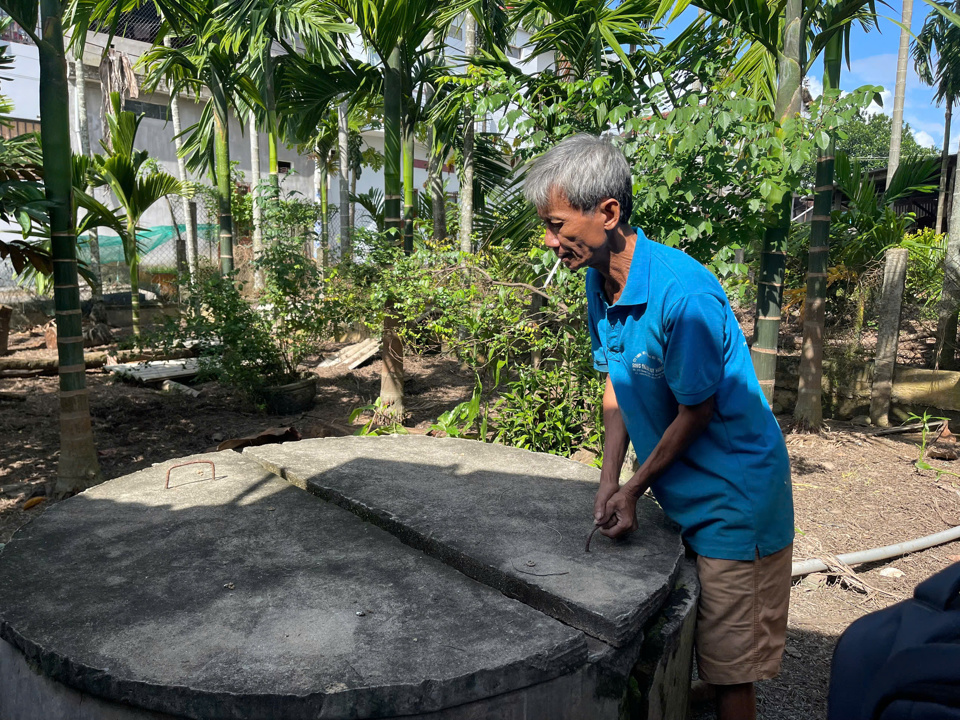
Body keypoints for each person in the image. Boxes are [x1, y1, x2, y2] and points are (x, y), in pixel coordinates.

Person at [523, 134, 794, 720]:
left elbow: (695, 413)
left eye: (557, 224)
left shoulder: (684, 295)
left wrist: (633, 488)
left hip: (733, 497)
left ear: (608, 213)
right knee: (703, 633)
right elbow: (616, 384)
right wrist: (607, 481)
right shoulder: (600, 279)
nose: (549, 241)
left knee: (731, 668)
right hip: (683, 487)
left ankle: (722, 693)